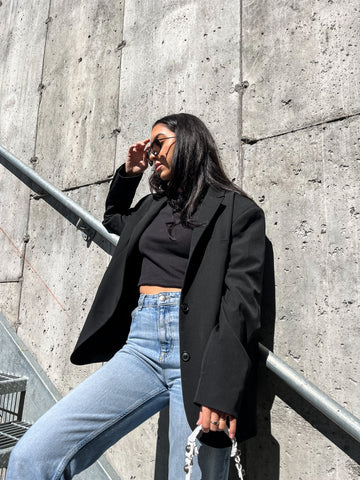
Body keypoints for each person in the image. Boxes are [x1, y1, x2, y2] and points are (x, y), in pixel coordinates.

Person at [6, 113, 266, 479]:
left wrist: (222, 389)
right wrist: (129, 173)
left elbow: (241, 303)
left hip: (202, 352)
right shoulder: (151, 207)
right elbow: (113, 218)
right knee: (34, 456)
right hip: (140, 347)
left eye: (159, 143)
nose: (153, 153)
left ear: (190, 141)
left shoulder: (238, 211)